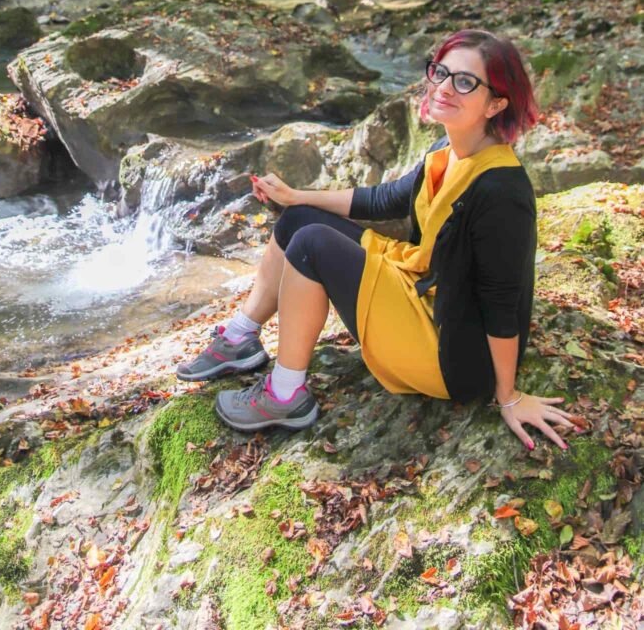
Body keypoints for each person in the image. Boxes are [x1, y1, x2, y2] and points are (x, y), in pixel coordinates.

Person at [177, 28, 576, 450]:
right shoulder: (447, 150)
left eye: (464, 82)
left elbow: (502, 301)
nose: (442, 88)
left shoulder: (502, 191)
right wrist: (295, 197)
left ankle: (285, 394)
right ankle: (241, 338)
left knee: (312, 244)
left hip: (451, 353)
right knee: (298, 220)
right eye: (441, 72)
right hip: (422, 289)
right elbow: (387, 198)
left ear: (496, 103)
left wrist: (509, 396)